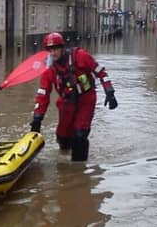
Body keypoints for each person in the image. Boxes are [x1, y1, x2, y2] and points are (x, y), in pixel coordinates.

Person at [29, 32, 118, 162]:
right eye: (50, 50)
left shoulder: (81, 56)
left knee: (80, 135)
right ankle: (64, 165)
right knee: (63, 137)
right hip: (66, 102)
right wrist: (37, 118)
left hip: (85, 100)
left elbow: (101, 72)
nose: (53, 53)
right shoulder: (49, 69)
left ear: (63, 48)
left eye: (56, 49)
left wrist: (109, 91)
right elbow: (43, 94)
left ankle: (79, 170)